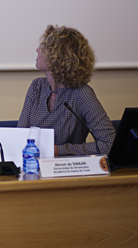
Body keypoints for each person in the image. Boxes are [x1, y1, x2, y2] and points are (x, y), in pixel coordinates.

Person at [17, 25, 115, 157]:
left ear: (57, 57)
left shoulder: (82, 93)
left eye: (43, 47)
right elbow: (19, 138)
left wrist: (58, 151)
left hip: (68, 171)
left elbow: (110, 144)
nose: (37, 50)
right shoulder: (36, 87)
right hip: (33, 168)